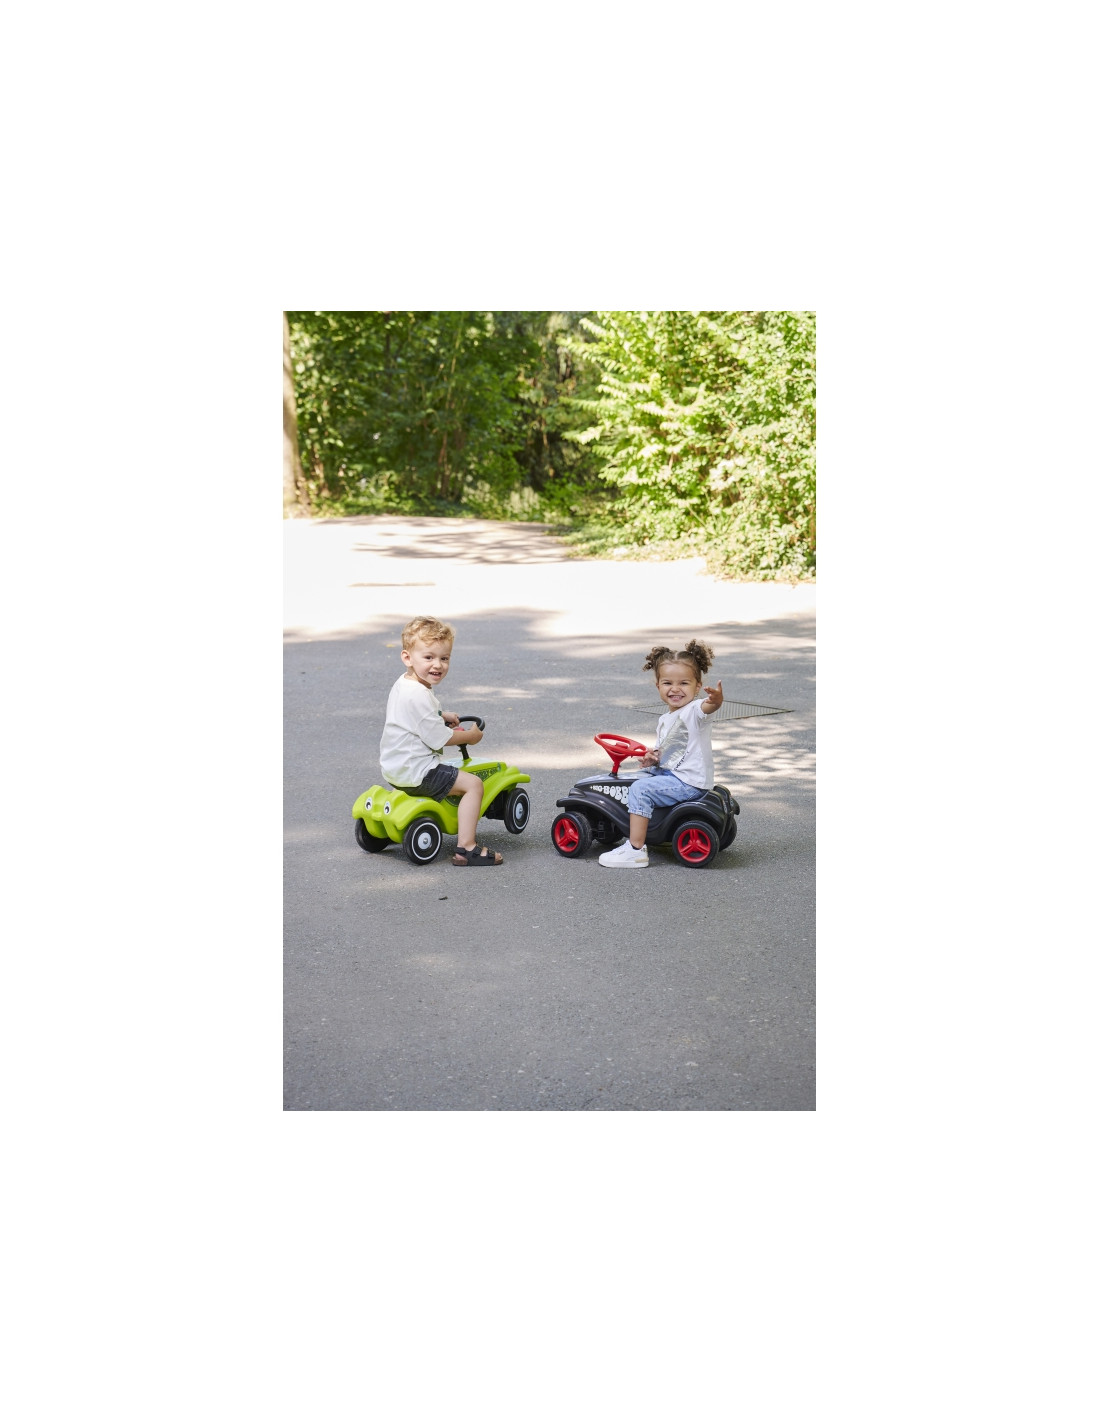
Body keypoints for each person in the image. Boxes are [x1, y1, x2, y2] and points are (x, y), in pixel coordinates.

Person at [379, 615, 503, 866]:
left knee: (455, 776)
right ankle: (467, 847)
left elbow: (414, 717)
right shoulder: (419, 695)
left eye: (444, 658)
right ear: (407, 657)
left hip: (394, 768)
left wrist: (441, 715)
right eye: (429, 657)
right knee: (474, 785)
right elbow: (440, 738)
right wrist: (471, 737)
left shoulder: (405, 684)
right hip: (419, 771)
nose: (438, 665)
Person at [599, 639, 723, 868]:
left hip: (687, 782)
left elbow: (708, 707)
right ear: (658, 686)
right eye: (667, 683)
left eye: (684, 683)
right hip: (673, 774)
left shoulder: (694, 711)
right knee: (636, 778)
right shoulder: (665, 719)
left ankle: (635, 849)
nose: (675, 689)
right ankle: (650, 826)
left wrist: (716, 701)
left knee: (639, 790)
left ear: (697, 686)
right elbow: (668, 751)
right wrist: (653, 758)